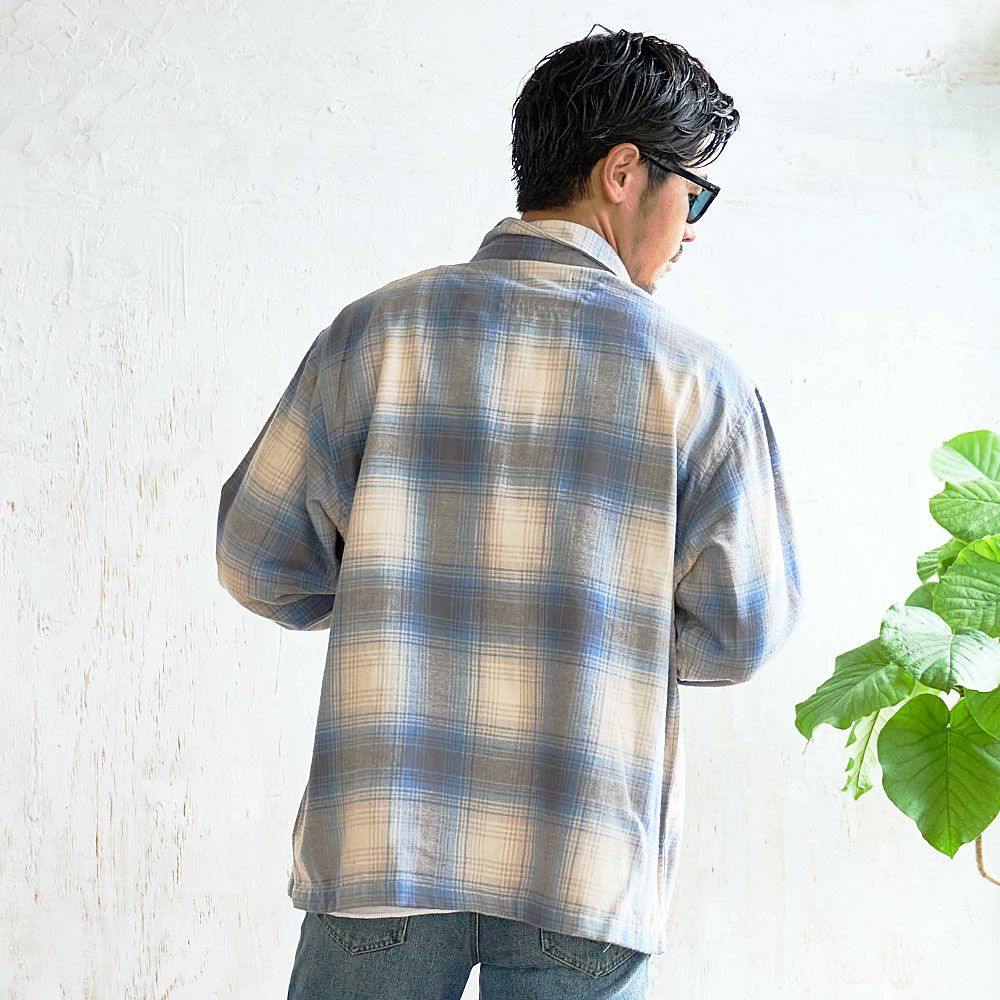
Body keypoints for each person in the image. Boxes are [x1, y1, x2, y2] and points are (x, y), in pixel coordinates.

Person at [216, 23, 803, 1000]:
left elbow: (255, 559)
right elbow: (741, 632)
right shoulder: (697, 383)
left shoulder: (374, 336)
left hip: (381, 845)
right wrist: (614, 635)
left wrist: (387, 596)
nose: (694, 226)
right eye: (694, 193)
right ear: (624, 172)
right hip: (584, 859)